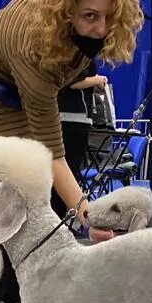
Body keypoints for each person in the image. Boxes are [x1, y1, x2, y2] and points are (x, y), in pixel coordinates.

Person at [0, 0, 146, 303]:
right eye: (90, 17)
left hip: (12, 77)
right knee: (24, 186)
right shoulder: (36, 52)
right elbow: (50, 154)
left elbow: (97, 1)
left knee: (35, 189)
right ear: (67, 12)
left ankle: (22, 294)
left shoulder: (75, 11)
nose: (101, 28)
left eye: (110, 17)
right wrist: (86, 213)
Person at [52, 62, 106, 219]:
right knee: (68, 173)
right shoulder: (79, 56)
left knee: (63, 172)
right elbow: (74, 82)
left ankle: (59, 218)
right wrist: (96, 80)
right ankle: (59, 219)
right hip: (73, 121)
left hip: (66, 119)